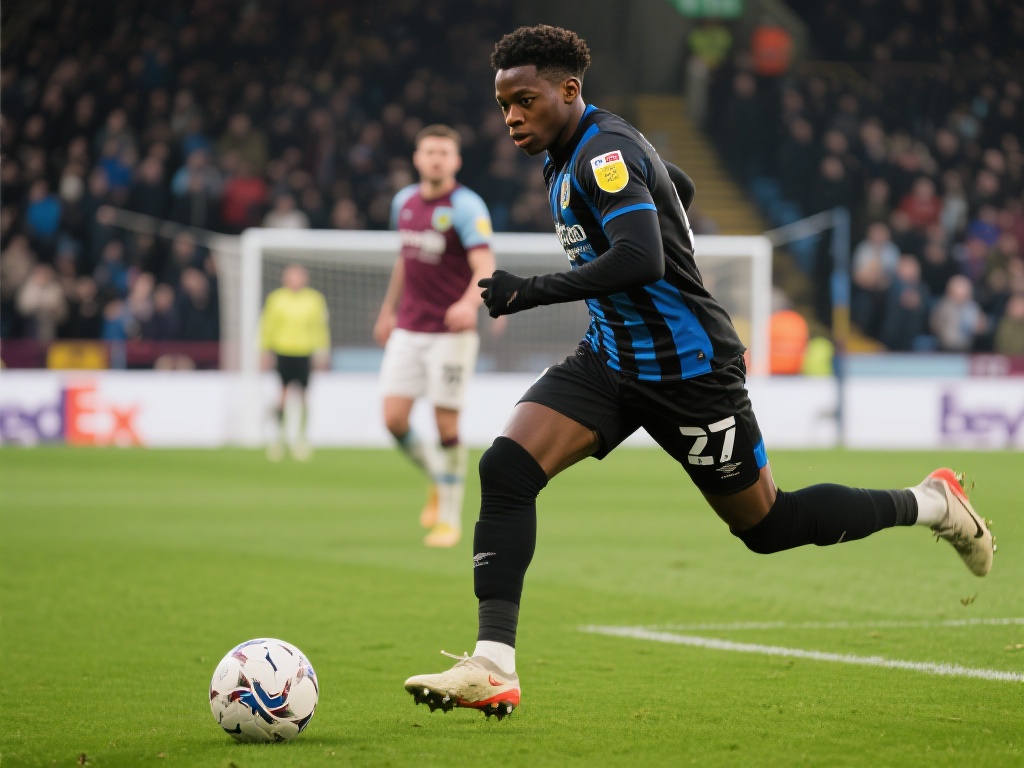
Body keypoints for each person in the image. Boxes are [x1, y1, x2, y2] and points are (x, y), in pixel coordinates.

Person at [403, 24, 996, 719]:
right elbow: (675, 184)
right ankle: (493, 666)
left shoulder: (602, 154)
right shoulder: (569, 153)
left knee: (768, 525)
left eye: (525, 101)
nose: (511, 117)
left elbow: (641, 257)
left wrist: (530, 291)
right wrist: (661, 194)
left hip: (688, 371)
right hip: (610, 359)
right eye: (504, 104)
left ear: (569, 89)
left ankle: (932, 503)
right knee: (506, 468)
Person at [374, 124, 496, 549]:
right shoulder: (403, 202)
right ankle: (436, 477)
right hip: (408, 328)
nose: (436, 159)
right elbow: (404, 260)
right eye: (430, 152)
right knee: (393, 420)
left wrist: (469, 304)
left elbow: (485, 266)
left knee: (446, 425)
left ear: (456, 161)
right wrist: (388, 309)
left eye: (444, 152)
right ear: (417, 158)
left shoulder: (466, 206)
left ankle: (448, 519)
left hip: (451, 333)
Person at [259, 263, 330, 461]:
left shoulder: (314, 299)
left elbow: (320, 327)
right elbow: (268, 325)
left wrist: (322, 351)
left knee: (304, 397)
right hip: (283, 350)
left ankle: (301, 439)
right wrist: (265, 350)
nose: (296, 280)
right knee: (282, 395)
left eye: (299, 276)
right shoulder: (276, 298)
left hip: (305, 352)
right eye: (292, 276)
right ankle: (279, 439)